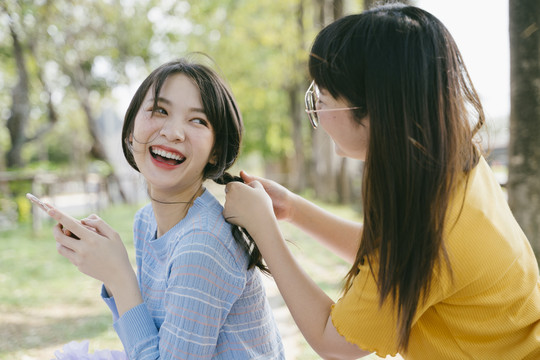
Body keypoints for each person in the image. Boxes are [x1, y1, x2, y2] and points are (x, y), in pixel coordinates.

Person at [223, 3, 540, 359]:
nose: (317, 113)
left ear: (375, 112)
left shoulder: (429, 222)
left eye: (322, 100)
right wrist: (293, 210)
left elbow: (334, 341)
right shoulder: (448, 164)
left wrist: (264, 228)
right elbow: (393, 256)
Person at [48, 57, 285, 359]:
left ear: (215, 152)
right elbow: (155, 342)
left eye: (198, 120)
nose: (173, 132)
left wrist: (119, 276)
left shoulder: (202, 246)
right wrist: (110, 268)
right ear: (130, 131)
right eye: (160, 110)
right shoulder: (145, 221)